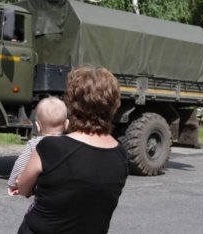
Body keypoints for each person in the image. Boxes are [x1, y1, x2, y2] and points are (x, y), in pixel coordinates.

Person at [16, 66, 129, 234]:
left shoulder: (51, 147)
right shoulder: (120, 155)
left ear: (71, 103)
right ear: (113, 105)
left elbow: (23, 188)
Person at [8, 96, 69, 196]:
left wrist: (12, 184)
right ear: (66, 125)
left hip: (43, 192)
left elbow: (20, 165)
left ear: (38, 126)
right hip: (65, 191)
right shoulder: (70, 142)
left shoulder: (34, 144)